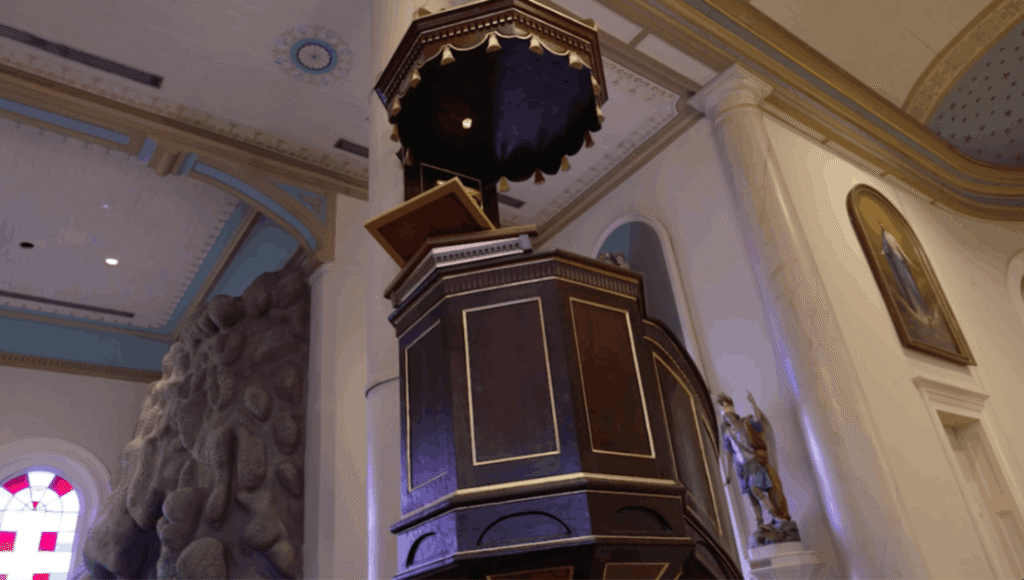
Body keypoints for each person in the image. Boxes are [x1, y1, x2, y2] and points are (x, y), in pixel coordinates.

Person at [717, 391, 791, 529]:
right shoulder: (727, 434)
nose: (728, 418)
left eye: (729, 415)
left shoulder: (746, 423)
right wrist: (728, 474)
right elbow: (728, 453)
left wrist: (753, 403)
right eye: (725, 417)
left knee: (755, 488)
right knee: (751, 496)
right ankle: (760, 522)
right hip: (742, 468)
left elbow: (758, 419)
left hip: (754, 463)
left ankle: (775, 516)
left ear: (733, 414)